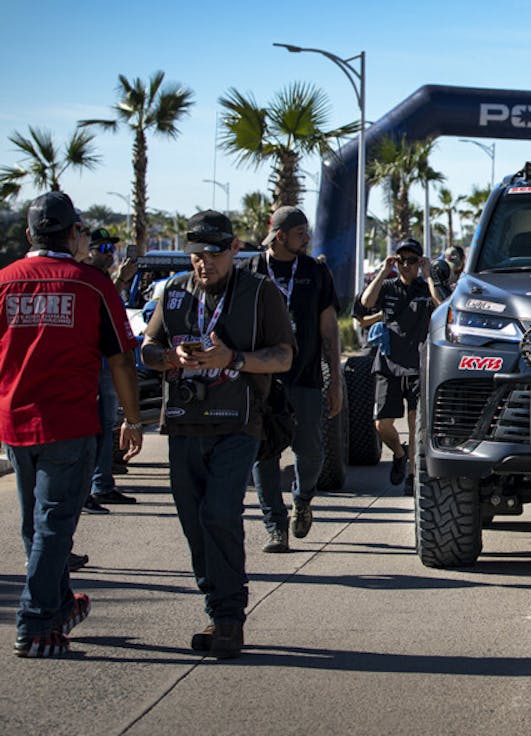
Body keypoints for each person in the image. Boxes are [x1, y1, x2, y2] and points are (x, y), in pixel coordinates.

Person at [140, 210, 295, 660]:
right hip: (184, 422)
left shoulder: (259, 292)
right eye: (195, 255)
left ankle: (228, 618)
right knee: (193, 521)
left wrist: (234, 359)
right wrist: (169, 357)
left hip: (239, 421)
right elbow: (147, 348)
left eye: (212, 253)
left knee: (219, 514)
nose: (203, 263)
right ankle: (215, 606)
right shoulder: (172, 292)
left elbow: (284, 356)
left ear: (233, 248)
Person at [0, 192, 143, 658]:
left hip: (15, 423)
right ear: (74, 232)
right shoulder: (91, 283)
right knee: (52, 526)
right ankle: (36, 623)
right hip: (70, 424)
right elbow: (121, 358)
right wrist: (133, 418)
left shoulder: (4, 281)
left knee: (36, 525)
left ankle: (58, 604)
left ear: (29, 234)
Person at [244, 207, 342, 554]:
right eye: (301, 232)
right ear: (281, 236)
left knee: (311, 451)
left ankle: (302, 499)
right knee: (263, 453)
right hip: (261, 380)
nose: (307, 238)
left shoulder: (315, 271)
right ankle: (275, 526)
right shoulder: (251, 270)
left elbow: (329, 328)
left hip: (306, 377)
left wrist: (336, 379)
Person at [358, 237, 436, 494]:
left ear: (419, 262)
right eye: (401, 260)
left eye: (411, 261)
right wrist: (383, 271)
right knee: (382, 424)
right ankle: (399, 454)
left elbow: (441, 305)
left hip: (417, 366)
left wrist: (429, 275)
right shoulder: (389, 287)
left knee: (416, 423)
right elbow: (367, 303)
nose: (406, 265)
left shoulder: (425, 289)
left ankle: (411, 477)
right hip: (389, 364)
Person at [79, 227, 138, 514]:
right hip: (94, 365)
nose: (109, 254)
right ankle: (92, 486)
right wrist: (120, 280)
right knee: (96, 429)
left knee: (106, 427)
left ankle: (102, 483)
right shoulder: (85, 278)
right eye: (102, 249)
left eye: (111, 249)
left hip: (107, 363)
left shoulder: (101, 279)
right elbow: (101, 309)